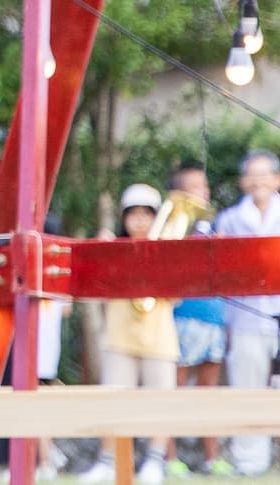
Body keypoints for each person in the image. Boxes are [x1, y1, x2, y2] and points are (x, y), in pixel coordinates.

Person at [78, 184, 176, 484]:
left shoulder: (167, 250)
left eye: (147, 213)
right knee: (113, 400)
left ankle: (155, 461)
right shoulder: (114, 249)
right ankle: (108, 461)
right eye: (133, 213)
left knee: (161, 401)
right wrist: (102, 252)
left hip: (159, 336)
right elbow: (95, 288)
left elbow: (176, 296)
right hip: (119, 335)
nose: (140, 220)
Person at [216, 150, 280, 477]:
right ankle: (249, 461)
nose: (258, 182)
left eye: (265, 175)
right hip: (246, 315)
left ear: (278, 180)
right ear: (243, 182)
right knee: (247, 389)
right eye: (252, 175)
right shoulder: (229, 220)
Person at [165, 162, 226, 474]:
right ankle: (168, 458)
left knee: (209, 393)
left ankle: (212, 458)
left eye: (203, 187)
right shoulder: (172, 230)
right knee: (173, 390)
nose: (201, 193)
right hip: (183, 317)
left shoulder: (216, 227)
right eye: (192, 188)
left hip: (214, 318)